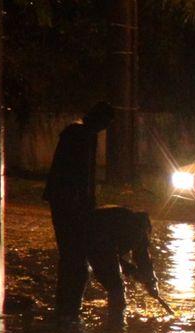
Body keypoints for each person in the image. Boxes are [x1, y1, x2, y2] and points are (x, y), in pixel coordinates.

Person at [43, 101, 114, 320]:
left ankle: (68, 309)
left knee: (73, 259)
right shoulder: (80, 136)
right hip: (68, 205)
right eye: (105, 124)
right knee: (74, 260)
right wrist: (81, 205)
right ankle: (68, 310)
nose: (104, 129)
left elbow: (85, 177)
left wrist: (87, 203)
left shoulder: (81, 134)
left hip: (71, 204)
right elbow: (75, 175)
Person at [87, 206, 159, 319]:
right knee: (116, 287)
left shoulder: (137, 230)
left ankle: (116, 316)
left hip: (99, 241)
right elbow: (104, 253)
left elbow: (143, 258)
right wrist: (131, 270)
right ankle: (116, 320)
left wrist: (150, 281)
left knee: (116, 287)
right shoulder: (124, 226)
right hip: (89, 236)